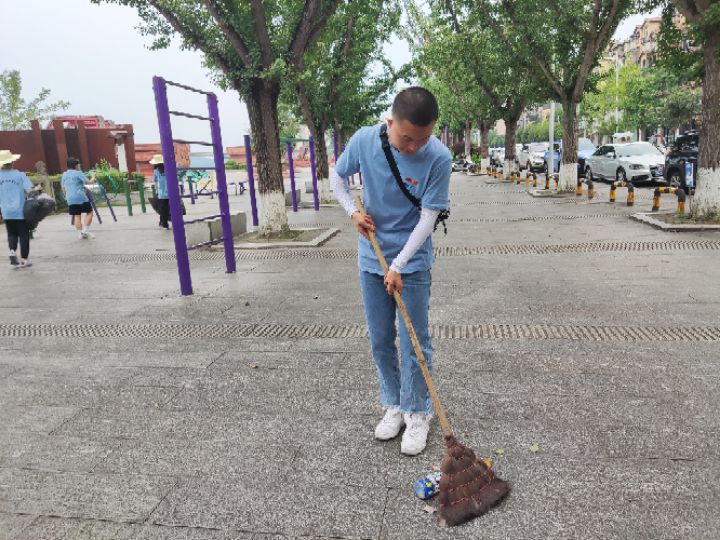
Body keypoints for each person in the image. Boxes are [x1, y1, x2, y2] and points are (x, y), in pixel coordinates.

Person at [331, 87, 451, 456]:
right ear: (389, 123)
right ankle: (394, 404)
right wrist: (352, 211)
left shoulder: (439, 157)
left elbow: (429, 217)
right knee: (380, 339)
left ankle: (418, 413)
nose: (415, 146)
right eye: (406, 138)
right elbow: (336, 177)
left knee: (414, 340)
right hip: (372, 257)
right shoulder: (365, 141)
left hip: (412, 263)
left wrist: (399, 265)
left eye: (424, 138)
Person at [0, 149, 41, 268]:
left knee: (11, 233)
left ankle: (12, 251)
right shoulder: (19, 175)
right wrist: (38, 189)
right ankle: (24, 260)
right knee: (23, 235)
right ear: (12, 162)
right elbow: (30, 189)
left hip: (6, 211)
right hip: (20, 210)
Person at [61, 157, 95, 239]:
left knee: (77, 215)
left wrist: (66, 195)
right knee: (89, 212)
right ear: (76, 165)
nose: (80, 166)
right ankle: (85, 231)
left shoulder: (64, 174)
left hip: (70, 198)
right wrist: (93, 176)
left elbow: (62, 187)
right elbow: (89, 182)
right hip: (80, 196)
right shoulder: (78, 173)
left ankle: (80, 234)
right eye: (79, 164)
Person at [149, 154, 169, 229]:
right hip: (170, 192)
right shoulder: (168, 169)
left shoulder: (156, 171)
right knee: (169, 208)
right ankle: (163, 222)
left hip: (161, 193)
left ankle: (164, 224)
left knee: (163, 208)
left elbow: (155, 180)